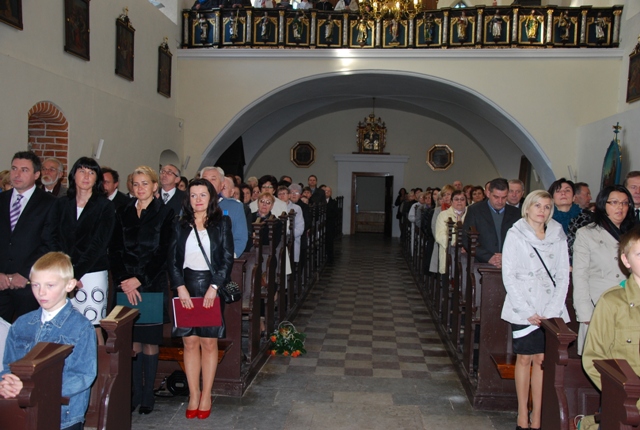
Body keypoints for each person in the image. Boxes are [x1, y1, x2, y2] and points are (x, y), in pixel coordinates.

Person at [0, 252, 97, 430]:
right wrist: (6, 383)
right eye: (35, 285)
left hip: (63, 415)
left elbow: (83, 376)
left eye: (50, 285)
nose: (41, 292)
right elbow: (8, 365)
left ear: (69, 285)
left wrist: (34, 387)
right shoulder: (21, 324)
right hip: (23, 409)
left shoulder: (81, 327)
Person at [501, 190, 570, 430]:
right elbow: (509, 275)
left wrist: (552, 310)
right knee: (525, 358)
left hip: (550, 306)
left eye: (547, 207)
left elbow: (563, 275)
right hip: (524, 305)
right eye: (537, 205)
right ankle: (522, 414)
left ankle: (537, 417)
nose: (542, 211)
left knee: (542, 360)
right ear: (528, 208)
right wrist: (526, 309)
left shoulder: (558, 235)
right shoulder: (515, 234)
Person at [109, 166, 174, 415]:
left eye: (145, 183)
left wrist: (140, 279)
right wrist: (125, 280)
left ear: (155, 186)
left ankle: (148, 395)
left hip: (151, 283)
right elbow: (115, 249)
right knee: (132, 341)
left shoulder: (165, 213)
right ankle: (134, 393)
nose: (140, 188)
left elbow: (163, 252)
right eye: (135, 184)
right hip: (125, 285)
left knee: (149, 341)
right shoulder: (123, 211)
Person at [168, 179, 233, 420]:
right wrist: (180, 287)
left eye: (202, 195)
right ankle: (193, 394)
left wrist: (215, 287)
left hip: (211, 286)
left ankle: (206, 394)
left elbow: (226, 258)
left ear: (211, 197)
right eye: (193, 195)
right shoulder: (179, 224)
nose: (198, 199)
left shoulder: (222, 223)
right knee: (189, 342)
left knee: (208, 342)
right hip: (185, 286)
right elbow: (172, 260)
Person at [48, 157, 115, 344]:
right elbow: (50, 236)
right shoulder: (61, 203)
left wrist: (75, 273)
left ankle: (96, 363)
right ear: (73, 175)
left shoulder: (105, 206)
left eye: (91, 172)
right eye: (82, 171)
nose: (86, 176)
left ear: (97, 179)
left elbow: (99, 244)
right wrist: (65, 268)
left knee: (93, 325)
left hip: (92, 272)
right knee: (64, 325)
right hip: (62, 272)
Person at [572, 185, 635, 354]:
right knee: (598, 358)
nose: (620, 207)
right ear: (603, 204)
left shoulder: (633, 234)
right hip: (599, 304)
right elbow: (580, 275)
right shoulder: (587, 233)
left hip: (630, 304)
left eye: (625, 203)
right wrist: (585, 312)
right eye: (614, 202)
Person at [582, 227, 640, 401]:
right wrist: (624, 396)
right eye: (639, 255)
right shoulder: (612, 302)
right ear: (626, 260)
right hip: (628, 397)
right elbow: (594, 359)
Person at [0, 151, 56, 323]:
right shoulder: (1, 199)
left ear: (37, 175)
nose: (17, 174)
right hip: (0, 282)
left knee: (29, 333)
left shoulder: (50, 203)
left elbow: (50, 244)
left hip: (30, 284)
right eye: (14, 169)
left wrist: (25, 273)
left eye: (24, 170)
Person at [462, 178, 520, 267]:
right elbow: (466, 239)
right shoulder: (475, 210)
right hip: (481, 263)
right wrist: (488, 257)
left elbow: (520, 241)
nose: (500, 201)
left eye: (504, 197)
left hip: (509, 264)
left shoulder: (516, 213)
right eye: (496, 197)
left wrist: (505, 256)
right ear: (488, 193)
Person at [201, 166, 249, 256]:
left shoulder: (234, 207)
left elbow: (240, 237)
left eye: (213, 179)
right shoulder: (191, 204)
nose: (208, 182)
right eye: (205, 179)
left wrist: (230, 257)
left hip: (221, 257)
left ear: (222, 185)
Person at [435, 190, 467, 275]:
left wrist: (466, 245)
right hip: (449, 252)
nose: (459, 201)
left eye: (462, 199)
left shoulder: (471, 214)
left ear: (466, 201)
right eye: (456, 199)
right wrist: (455, 243)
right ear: (451, 201)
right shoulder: (443, 215)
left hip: (467, 252)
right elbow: (440, 235)